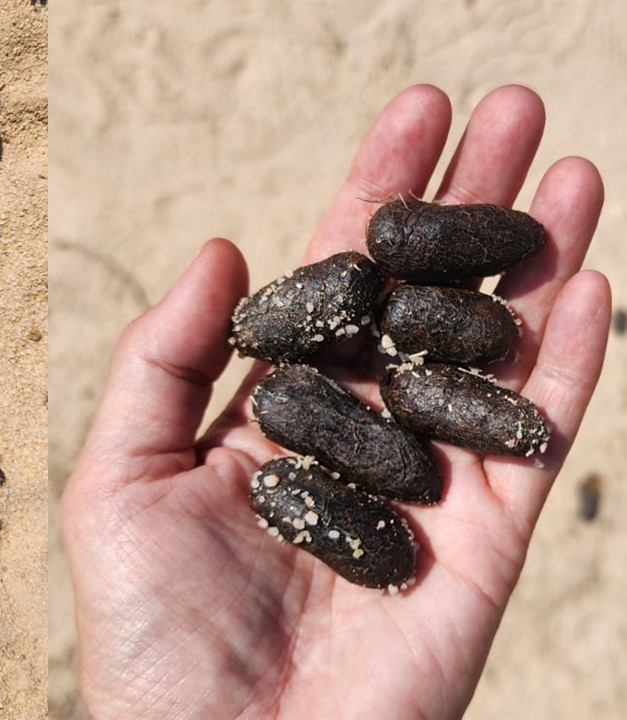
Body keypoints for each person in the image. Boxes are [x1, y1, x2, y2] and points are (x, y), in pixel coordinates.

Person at [61, 84, 611, 719]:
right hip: (373, 426)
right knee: (365, 378)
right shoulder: (323, 402)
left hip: (377, 419)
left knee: (376, 368)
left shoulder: (336, 391)